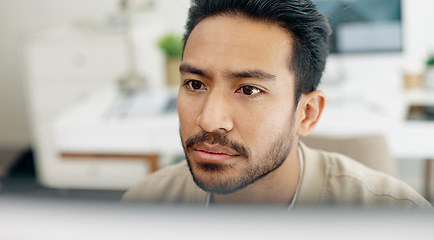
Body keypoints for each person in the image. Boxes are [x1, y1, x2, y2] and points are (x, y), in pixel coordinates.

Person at [123, 0, 431, 208]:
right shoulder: (146, 204)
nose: (208, 120)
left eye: (249, 90)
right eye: (195, 84)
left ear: (307, 114)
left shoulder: (393, 215)